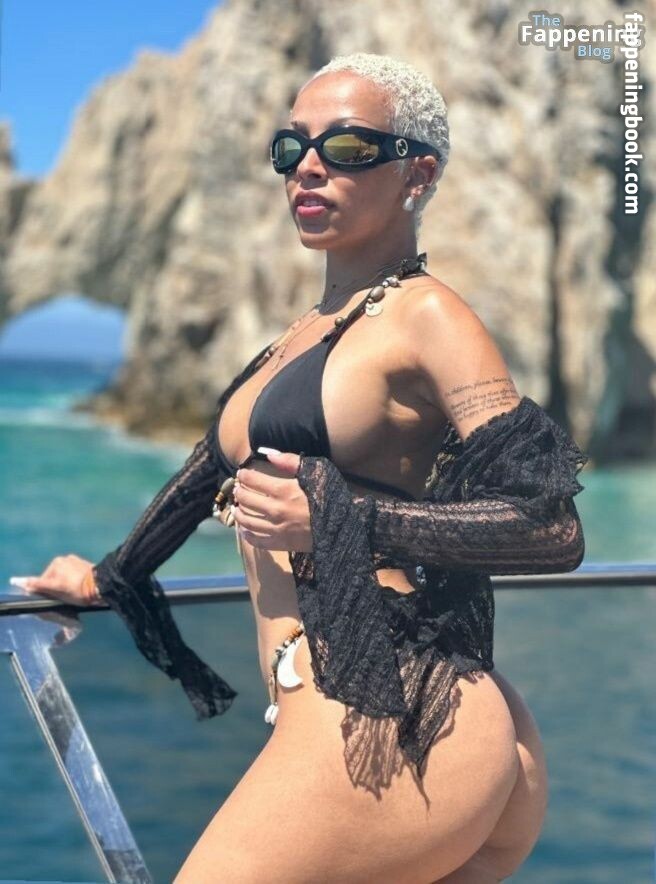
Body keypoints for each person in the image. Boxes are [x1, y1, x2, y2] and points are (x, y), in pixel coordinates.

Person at [21, 53, 588, 883]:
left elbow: (550, 526)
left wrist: (336, 517)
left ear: (418, 174)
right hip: (371, 708)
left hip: (393, 715)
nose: (309, 166)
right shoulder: (310, 328)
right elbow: (204, 479)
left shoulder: (427, 314)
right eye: (292, 148)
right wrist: (107, 579)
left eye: (348, 147)